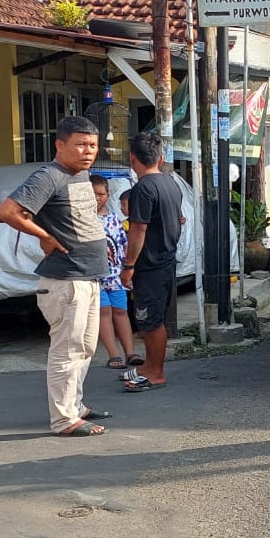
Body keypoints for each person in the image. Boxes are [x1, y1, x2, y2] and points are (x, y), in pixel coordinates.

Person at [0, 116, 111, 436]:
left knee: (86, 347)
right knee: (67, 350)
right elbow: (7, 211)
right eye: (80, 145)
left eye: (93, 145)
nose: (88, 151)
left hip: (87, 277)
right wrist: (43, 236)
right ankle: (63, 419)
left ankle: (75, 406)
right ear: (59, 145)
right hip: (65, 280)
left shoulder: (81, 174)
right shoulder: (49, 176)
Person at [118, 133, 182, 393]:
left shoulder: (143, 189)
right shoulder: (171, 183)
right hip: (167, 259)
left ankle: (155, 372)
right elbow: (179, 220)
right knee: (154, 319)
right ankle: (150, 366)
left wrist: (128, 264)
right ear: (161, 157)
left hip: (151, 263)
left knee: (151, 320)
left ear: (133, 159)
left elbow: (138, 229)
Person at [91, 176, 138, 371]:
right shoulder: (85, 220)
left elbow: (124, 245)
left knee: (121, 311)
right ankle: (113, 354)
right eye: (92, 194)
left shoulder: (114, 220)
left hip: (116, 274)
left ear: (107, 195)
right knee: (104, 311)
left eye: (101, 194)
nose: (97, 198)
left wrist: (127, 269)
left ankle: (130, 353)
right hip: (94, 276)